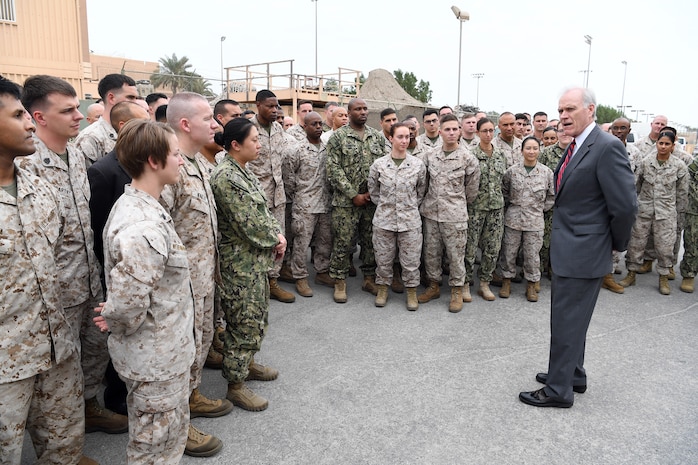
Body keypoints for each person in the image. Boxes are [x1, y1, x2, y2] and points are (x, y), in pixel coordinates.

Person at [18, 75, 127, 435]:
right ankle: (59, 438)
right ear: (39, 117)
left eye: (76, 107)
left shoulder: (77, 155)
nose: (78, 115)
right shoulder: (26, 166)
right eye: (67, 111)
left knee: (96, 350)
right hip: (56, 290)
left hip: (88, 277)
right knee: (58, 370)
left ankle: (88, 406)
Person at [519, 87, 637, 408]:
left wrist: (614, 245)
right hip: (573, 248)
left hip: (584, 251)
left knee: (566, 320)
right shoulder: (579, 145)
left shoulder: (606, 147)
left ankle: (558, 390)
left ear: (591, 110)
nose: (563, 116)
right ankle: (572, 373)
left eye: (570, 109)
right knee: (573, 320)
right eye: (560, 110)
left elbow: (625, 206)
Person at [94, 119, 200, 463]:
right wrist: (115, 316)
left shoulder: (147, 206)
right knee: (153, 446)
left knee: (168, 437)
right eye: (174, 154)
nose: (181, 159)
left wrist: (117, 313)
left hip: (164, 352)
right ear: (154, 161)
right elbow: (127, 305)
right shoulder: (142, 224)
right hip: (155, 358)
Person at [0, 75, 88, 465]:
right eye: (18, 115)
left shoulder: (39, 187)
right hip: (6, 366)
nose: (30, 124)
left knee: (64, 447)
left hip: (56, 348)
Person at [160, 92, 231, 456]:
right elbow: (162, 234)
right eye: (208, 119)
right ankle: (178, 426)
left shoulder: (200, 163)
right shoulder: (170, 171)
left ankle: (192, 397)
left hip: (204, 277)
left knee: (200, 345)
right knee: (182, 354)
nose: (216, 125)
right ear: (185, 124)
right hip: (181, 286)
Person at [210, 117, 285, 412]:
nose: (259, 144)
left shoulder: (243, 171)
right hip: (239, 264)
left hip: (253, 262)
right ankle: (236, 384)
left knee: (255, 318)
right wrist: (275, 240)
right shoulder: (225, 177)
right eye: (254, 140)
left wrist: (277, 234)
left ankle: (248, 363)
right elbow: (248, 224)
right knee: (242, 321)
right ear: (235, 145)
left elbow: (262, 210)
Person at [418, 114, 480, 312]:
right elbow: (423, 184)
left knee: (455, 255)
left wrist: (456, 204)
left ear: (460, 131)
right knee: (431, 253)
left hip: (455, 215)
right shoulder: (429, 156)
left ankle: (456, 289)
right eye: (447, 129)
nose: (451, 133)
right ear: (440, 131)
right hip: (431, 213)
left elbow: (471, 190)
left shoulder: (468, 158)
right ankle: (434, 285)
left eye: (455, 129)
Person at [326, 98, 385, 302]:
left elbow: (383, 167)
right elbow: (333, 170)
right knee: (343, 241)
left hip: (370, 200)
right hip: (346, 202)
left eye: (365, 109)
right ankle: (339, 281)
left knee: (370, 240)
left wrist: (372, 193)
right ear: (349, 113)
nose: (362, 112)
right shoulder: (338, 138)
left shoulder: (376, 137)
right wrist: (353, 194)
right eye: (357, 109)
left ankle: (369, 278)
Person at [618, 130, 688, 295]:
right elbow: (636, 187)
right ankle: (632, 273)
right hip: (644, 210)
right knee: (636, 244)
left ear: (672, 145)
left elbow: (682, 194)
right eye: (660, 143)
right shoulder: (645, 162)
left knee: (665, 248)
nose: (663, 147)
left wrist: (679, 217)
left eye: (667, 144)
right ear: (656, 143)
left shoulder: (679, 166)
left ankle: (663, 276)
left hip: (666, 213)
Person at [368, 122, 426, 310]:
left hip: (410, 222)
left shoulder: (417, 165)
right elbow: (374, 191)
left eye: (407, 136)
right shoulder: (379, 165)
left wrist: (407, 207)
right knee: (383, 259)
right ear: (391, 138)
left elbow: (421, 191)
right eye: (399, 137)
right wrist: (388, 207)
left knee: (411, 261)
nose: (404, 140)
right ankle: (383, 288)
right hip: (384, 220)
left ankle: (411, 292)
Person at [247, 90, 296, 303]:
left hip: (277, 194)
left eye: (277, 106)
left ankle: (272, 281)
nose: (275, 110)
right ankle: (254, 284)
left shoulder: (278, 129)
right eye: (270, 106)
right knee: (256, 240)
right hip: (257, 196)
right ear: (258, 105)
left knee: (278, 238)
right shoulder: (247, 128)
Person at [499, 136, 554, 302]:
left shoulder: (546, 173)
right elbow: (504, 191)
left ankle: (531, 284)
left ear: (539, 150)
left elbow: (551, 196)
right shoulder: (512, 171)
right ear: (522, 150)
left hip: (535, 221)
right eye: (528, 148)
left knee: (532, 255)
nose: (531, 151)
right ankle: (506, 281)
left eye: (535, 148)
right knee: (509, 252)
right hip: (513, 220)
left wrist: (538, 210)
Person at [286, 111, 334, 296]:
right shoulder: (296, 151)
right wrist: (300, 197)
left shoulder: (329, 149)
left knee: (325, 240)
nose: (318, 127)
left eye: (320, 124)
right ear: (304, 127)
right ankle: (300, 276)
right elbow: (288, 179)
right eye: (313, 124)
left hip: (325, 203)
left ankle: (322, 271)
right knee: (301, 242)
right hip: (304, 205)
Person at [464, 117, 507, 302]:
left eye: (491, 131)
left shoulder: (500, 155)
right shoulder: (470, 155)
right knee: (470, 248)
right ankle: (465, 284)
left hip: (496, 209)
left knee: (492, 248)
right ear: (477, 133)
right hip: (475, 208)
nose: (488, 134)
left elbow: (504, 182)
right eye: (484, 131)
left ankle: (484, 283)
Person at [75, 74, 138, 167]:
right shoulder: (90, 138)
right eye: (130, 97)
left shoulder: (135, 132)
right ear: (111, 98)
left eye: (136, 98)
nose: (135, 102)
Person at [539, 122, 571, 279]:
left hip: (570, 206)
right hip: (548, 204)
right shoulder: (546, 153)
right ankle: (537, 270)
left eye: (567, 130)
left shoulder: (579, 152)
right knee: (544, 239)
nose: (564, 133)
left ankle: (556, 267)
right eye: (561, 130)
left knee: (563, 240)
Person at [679, 152, 698, 293]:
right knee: (692, 242)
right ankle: (688, 274)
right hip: (695, 209)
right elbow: (688, 182)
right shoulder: (695, 164)